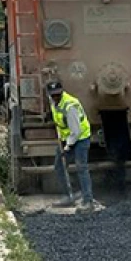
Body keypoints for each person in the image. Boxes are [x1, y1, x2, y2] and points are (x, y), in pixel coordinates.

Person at [47, 81, 95, 213]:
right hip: (65, 137)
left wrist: (68, 147)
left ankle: (88, 200)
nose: (56, 97)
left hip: (80, 138)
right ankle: (69, 195)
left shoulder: (70, 105)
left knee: (81, 167)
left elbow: (76, 131)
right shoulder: (52, 102)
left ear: (62, 92)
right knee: (59, 166)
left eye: (58, 94)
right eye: (53, 95)